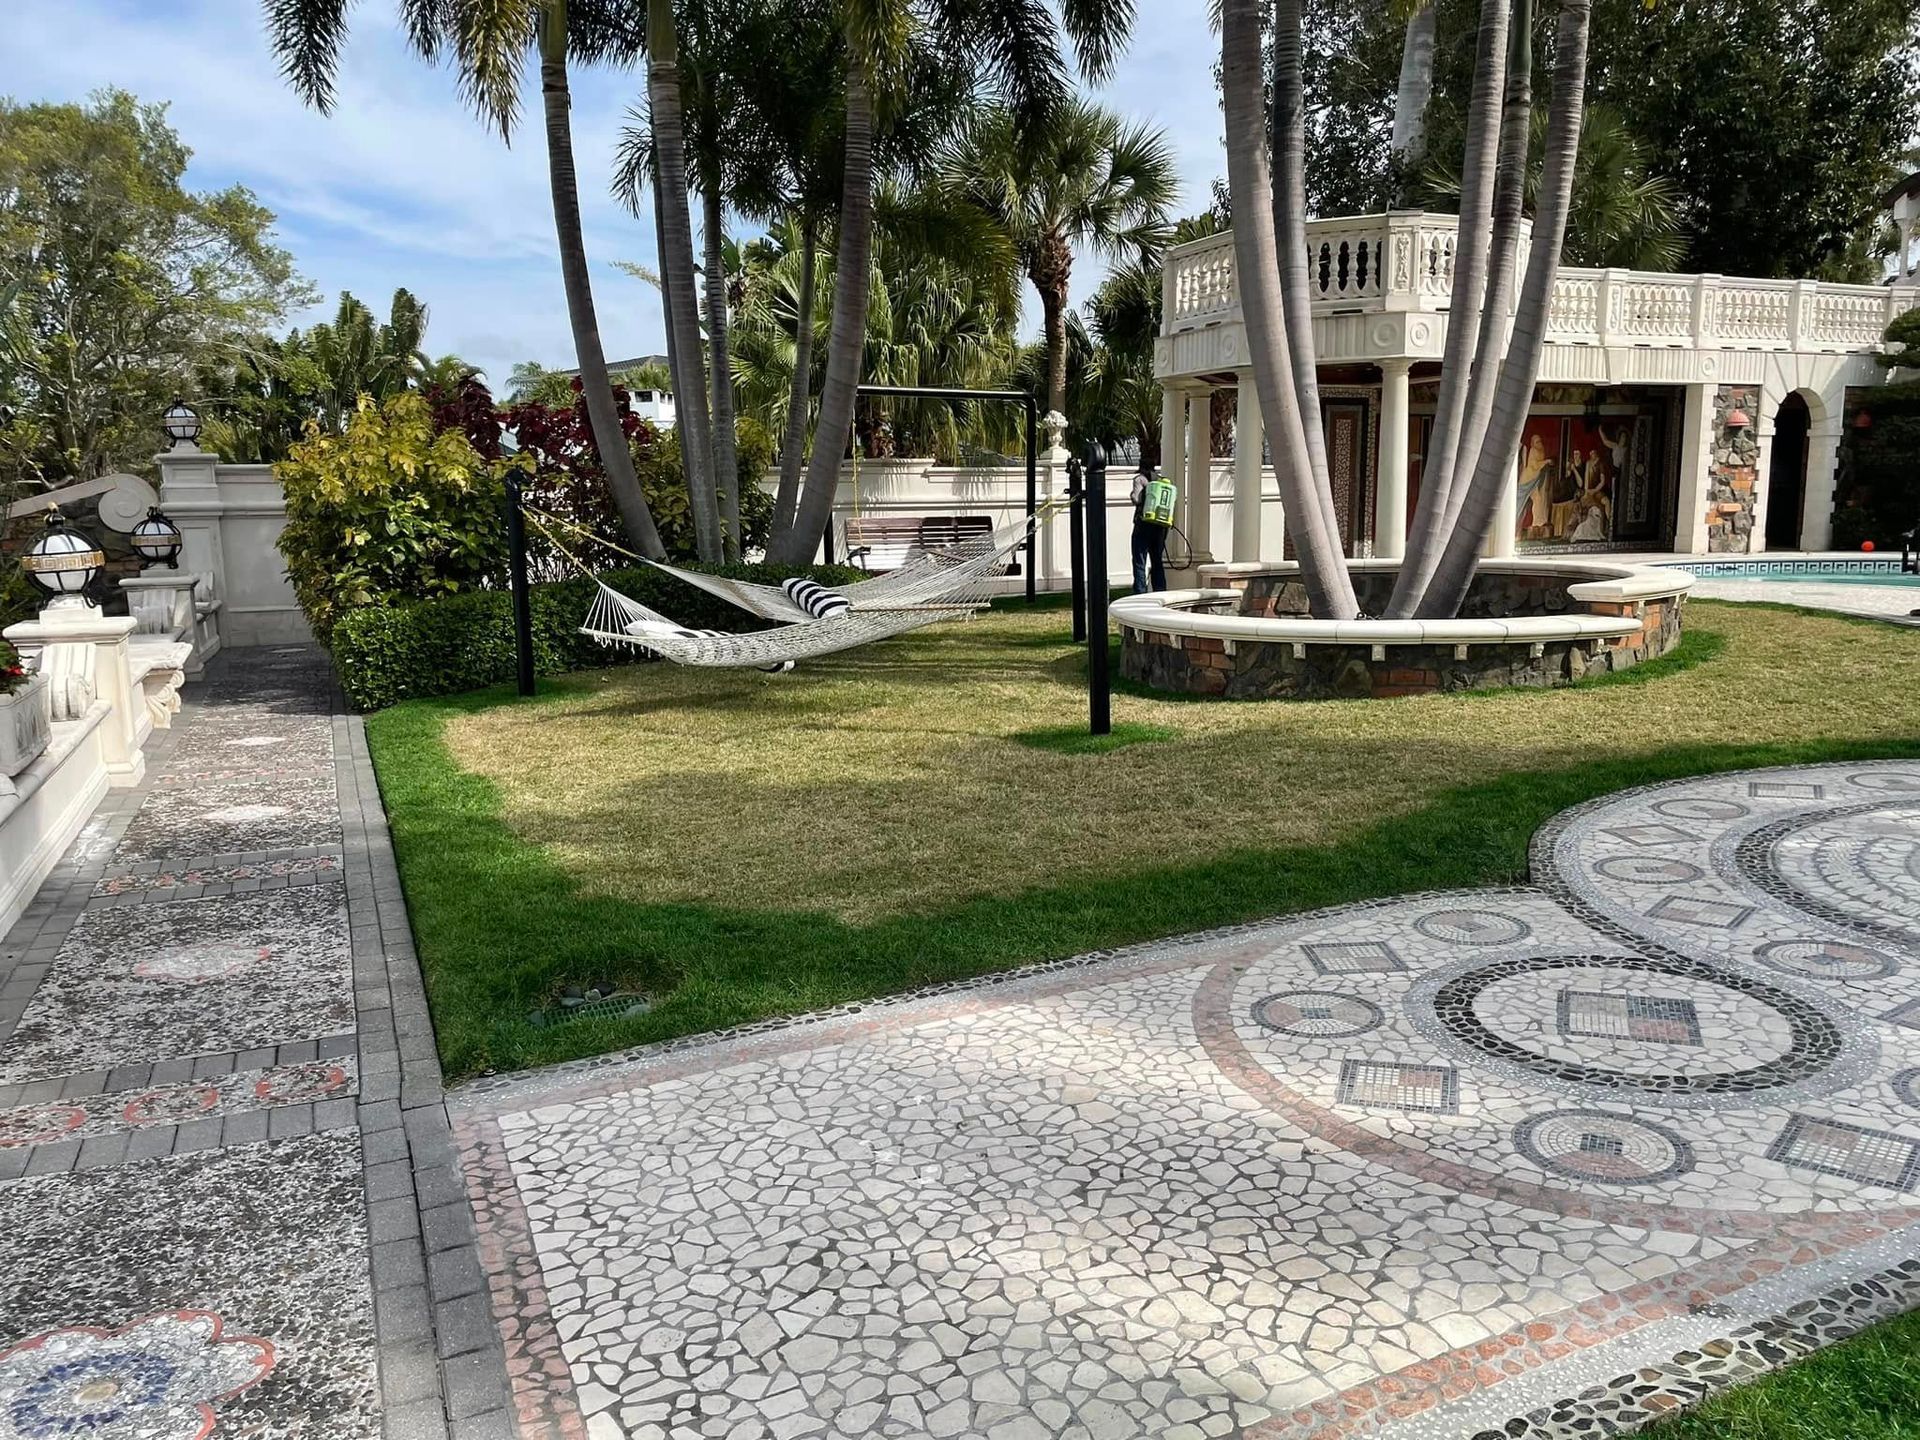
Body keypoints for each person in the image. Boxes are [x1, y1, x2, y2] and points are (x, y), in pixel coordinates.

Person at [1131, 463, 1172, 593]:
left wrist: (1132, 494)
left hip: (1143, 525)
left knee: (1139, 560)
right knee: (1157, 561)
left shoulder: (1140, 479)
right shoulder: (1162, 481)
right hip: (1159, 527)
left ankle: (1140, 593)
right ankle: (1160, 590)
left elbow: (1136, 499)